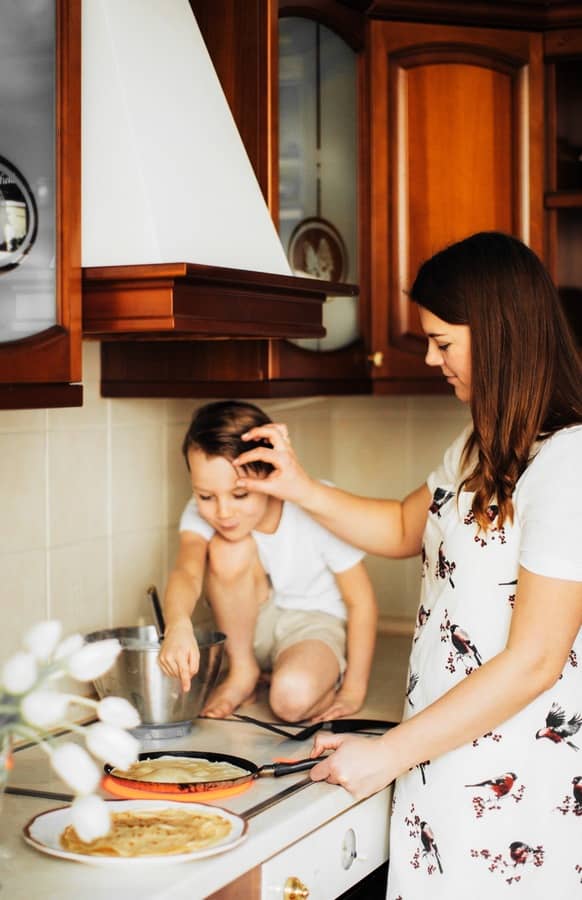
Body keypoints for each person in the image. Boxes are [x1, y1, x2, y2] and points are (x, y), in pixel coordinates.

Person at [232, 232, 582, 898]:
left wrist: (389, 752)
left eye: (443, 342)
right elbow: (400, 525)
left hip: (518, 784)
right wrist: (296, 486)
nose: (428, 357)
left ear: (503, 335)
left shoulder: (570, 464)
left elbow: (537, 658)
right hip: (445, 756)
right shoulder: (482, 445)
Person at [158, 399, 377, 722]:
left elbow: (362, 602)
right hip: (251, 628)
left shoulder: (314, 503)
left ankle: (315, 678)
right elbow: (187, 571)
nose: (223, 512)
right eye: (206, 497)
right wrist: (177, 624)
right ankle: (243, 671)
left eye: (240, 494)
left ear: (270, 473)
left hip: (313, 626)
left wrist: (353, 691)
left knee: (290, 700)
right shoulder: (206, 510)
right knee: (226, 548)